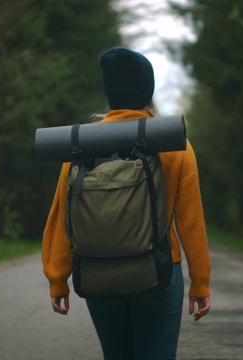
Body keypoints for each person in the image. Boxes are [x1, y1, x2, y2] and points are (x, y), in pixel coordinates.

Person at [41, 46, 211, 360]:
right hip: (159, 274)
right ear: (149, 90)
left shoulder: (81, 146)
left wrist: (57, 279)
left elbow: (65, 219)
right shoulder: (174, 144)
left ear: (110, 93)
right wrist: (200, 281)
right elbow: (190, 221)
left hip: (98, 274)